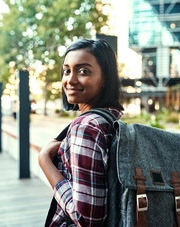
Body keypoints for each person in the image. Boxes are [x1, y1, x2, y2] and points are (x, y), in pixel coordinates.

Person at [38, 39, 124, 227]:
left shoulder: (86, 127)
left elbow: (87, 220)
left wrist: (44, 160)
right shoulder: (112, 119)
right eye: (67, 71)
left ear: (105, 79)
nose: (70, 80)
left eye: (83, 71)